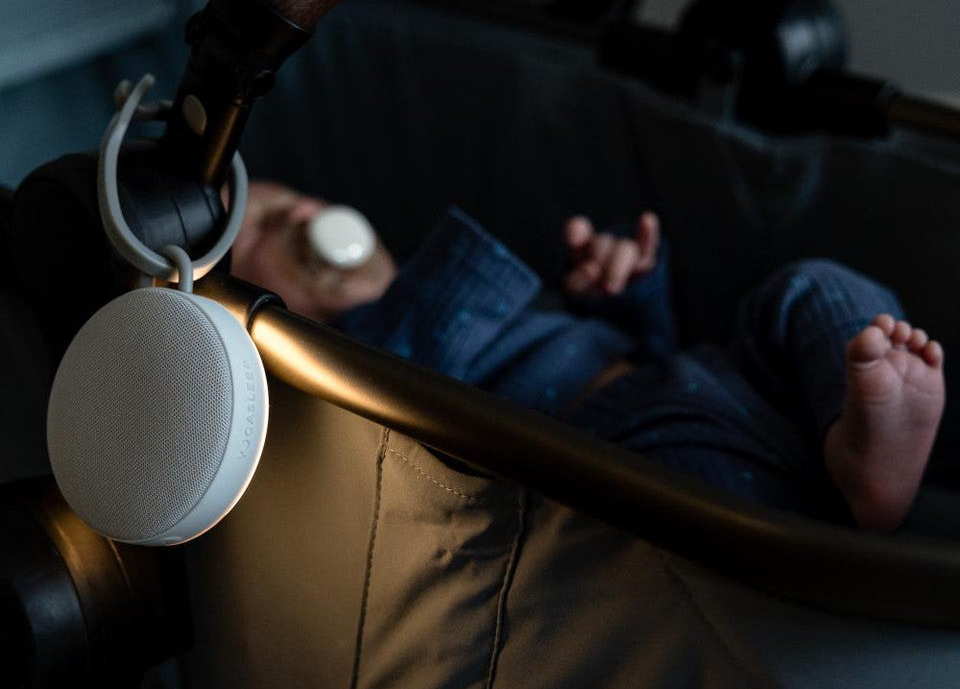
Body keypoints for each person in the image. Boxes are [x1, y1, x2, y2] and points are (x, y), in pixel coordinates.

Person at [230, 180, 945, 533]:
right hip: (629, 442)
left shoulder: (433, 276)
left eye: (295, 198)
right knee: (696, 499)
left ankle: (862, 437)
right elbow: (415, 391)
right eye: (259, 227)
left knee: (811, 287)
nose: (298, 215)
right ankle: (846, 500)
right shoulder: (356, 362)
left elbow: (649, 345)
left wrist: (625, 292)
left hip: (719, 380)